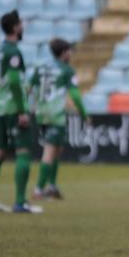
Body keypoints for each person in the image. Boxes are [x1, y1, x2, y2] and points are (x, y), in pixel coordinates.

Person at [0, 10, 42, 214]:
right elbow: (16, 82)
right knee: (23, 151)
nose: (23, 26)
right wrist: (22, 111)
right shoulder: (13, 52)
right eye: (21, 23)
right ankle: (20, 202)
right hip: (12, 108)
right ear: (15, 27)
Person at [29, 38, 91, 200]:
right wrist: (84, 114)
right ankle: (38, 190)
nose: (71, 53)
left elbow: (28, 87)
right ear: (63, 53)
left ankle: (52, 186)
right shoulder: (66, 70)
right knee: (50, 151)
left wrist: (28, 107)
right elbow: (75, 96)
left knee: (57, 149)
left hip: (41, 114)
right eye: (69, 50)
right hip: (56, 115)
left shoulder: (41, 68)